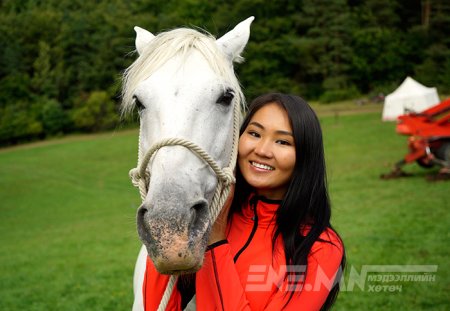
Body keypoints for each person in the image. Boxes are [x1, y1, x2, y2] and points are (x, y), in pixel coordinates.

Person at [143, 93, 345, 310]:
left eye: (282, 141)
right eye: (254, 133)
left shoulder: (320, 247)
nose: (261, 150)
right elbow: (157, 306)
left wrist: (216, 240)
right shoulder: (204, 217)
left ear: (305, 156)